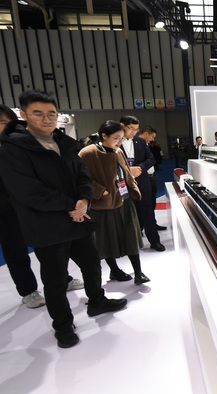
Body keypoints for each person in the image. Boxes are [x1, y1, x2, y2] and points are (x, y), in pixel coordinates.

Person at [0, 90, 127, 348]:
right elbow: (28, 192)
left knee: (92, 264)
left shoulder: (64, 142)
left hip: (78, 219)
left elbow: (82, 174)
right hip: (47, 224)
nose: (47, 119)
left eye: (52, 114)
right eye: (38, 114)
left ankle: (97, 300)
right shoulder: (12, 149)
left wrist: (84, 200)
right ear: (23, 115)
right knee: (55, 280)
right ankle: (63, 325)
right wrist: (73, 206)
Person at [79, 120, 150, 285]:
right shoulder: (88, 153)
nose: (120, 142)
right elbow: (81, 179)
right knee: (106, 240)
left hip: (125, 201)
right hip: (104, 204)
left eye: (122, 139)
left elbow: (124, 172)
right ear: (104, 136)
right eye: (117, 138)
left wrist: (132, 187)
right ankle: (115, 271)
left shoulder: (117, 151)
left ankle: (138, 273)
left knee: (131, 237)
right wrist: (100, 191)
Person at [119, 116, 165, 252]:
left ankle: (154, 241)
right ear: (122, 125)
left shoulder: (140, 142)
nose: (133, 132)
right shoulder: (115, 141)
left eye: (136, 129)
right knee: (126, 213)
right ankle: (130, 243)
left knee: (147, 211)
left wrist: (140, 168)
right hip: (123, 183)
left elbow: (151, 158)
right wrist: (128, 170)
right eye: (131, 128)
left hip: (142, 181)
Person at [137, 126, 166, 231]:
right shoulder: (136, 144)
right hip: (143, 178)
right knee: (144, 205)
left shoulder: (146, 145)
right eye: (152, 136)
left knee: (152, 203)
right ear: (146, 134)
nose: (153, 139)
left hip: (151, 177)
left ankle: (152, 224)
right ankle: (141, 227)